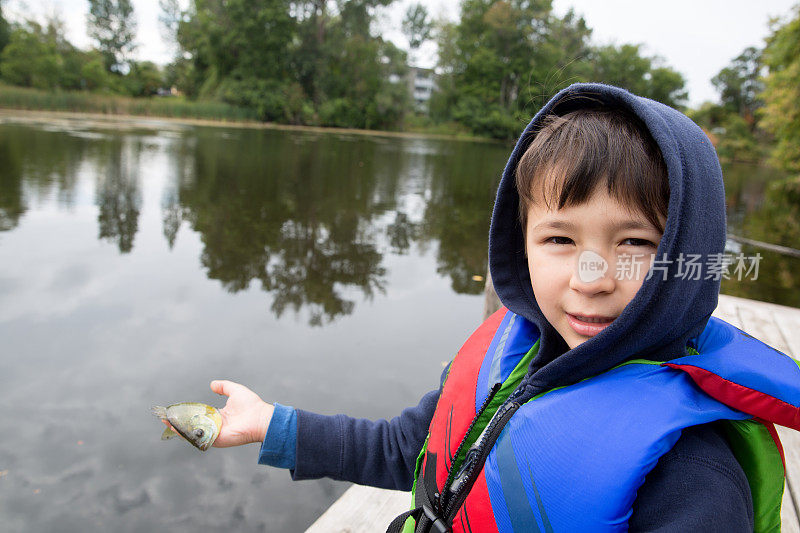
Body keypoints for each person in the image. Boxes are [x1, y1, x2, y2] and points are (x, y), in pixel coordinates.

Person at [195, 84, 800, 532]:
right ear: (523, 245)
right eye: (560, 240)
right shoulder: (512, 355)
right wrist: (273, 425)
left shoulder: (694, 471)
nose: (591, 279)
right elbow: (408, 448)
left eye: (636, 243)